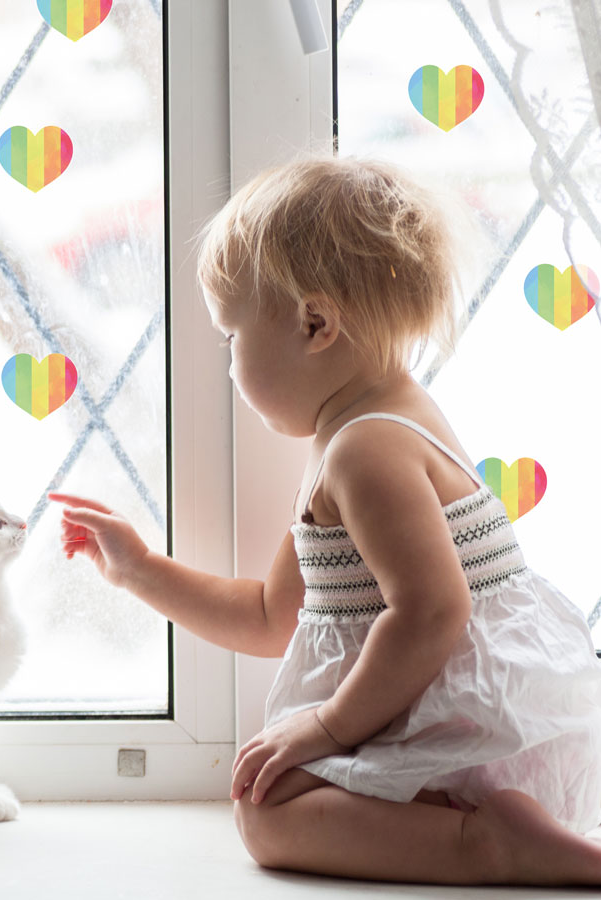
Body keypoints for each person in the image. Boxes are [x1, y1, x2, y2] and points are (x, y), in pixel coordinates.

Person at [49, 156, 601, 885]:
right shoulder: (365, 429)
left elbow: (435, 610)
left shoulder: (368, 450)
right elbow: (272, 616)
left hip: (468, 723)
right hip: (457, 711)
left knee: (264, 814)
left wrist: (327, 726)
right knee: (267, 792)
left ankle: (486, 843)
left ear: (314, 323)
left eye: (231, 337)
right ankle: (477, 824)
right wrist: (139, 570)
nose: (228, 364)